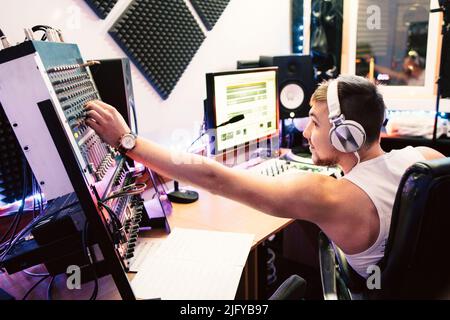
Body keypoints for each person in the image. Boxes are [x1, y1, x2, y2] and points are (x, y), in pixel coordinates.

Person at [84, 75, 444, 279]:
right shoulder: (427, 159)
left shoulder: (328, 195)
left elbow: (217, 178)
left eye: (314, 124)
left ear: (345, 135)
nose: (305, 133)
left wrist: (127, 141)